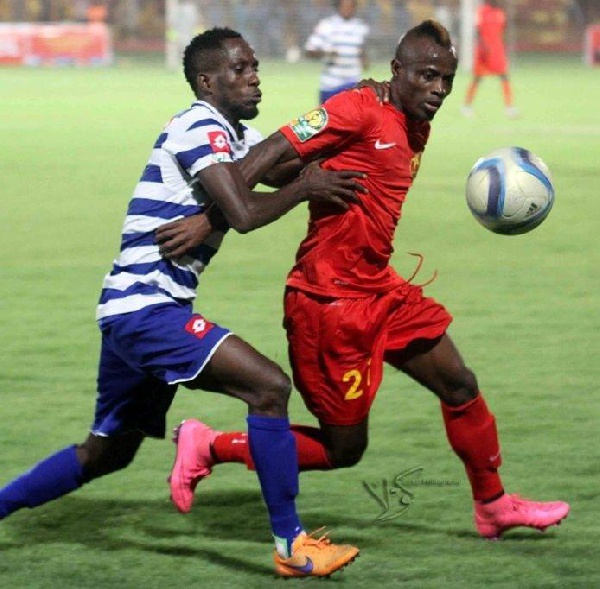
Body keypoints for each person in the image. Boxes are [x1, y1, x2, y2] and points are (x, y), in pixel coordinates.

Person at [166, 19, 570, 541]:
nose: (439, 91)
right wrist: (210, 217)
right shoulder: (358, 107)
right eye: (428, 76)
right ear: (396, 70)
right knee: (343, 449)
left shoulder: (414, 119)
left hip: (380, 289)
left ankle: (493, 506)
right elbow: (262, 157)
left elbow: (292, 169)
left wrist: (310, 173)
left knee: (459, 384)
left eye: (446, 79)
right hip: (329, 303)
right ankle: (209, 445)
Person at [0, 27, 366, 579]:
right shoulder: (201, 125)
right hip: (148, 308)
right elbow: (245, 211)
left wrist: (343, 115)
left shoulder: (234, 135)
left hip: (130, 308)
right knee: (268, 387)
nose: (253, 77)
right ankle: (292, 545)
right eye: (240, 69)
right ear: (207, 80)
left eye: (254, 67)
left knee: (108, 454)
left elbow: (287, 163)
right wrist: (304, 189)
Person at [304, 0, 370, 104]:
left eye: (351, 5)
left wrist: (364, 60)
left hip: (352, 83)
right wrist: (327, 53)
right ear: (338, 5)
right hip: (331, 84)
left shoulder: (361, 28)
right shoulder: (327, 25)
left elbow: (363, 54)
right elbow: (309, 51)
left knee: (352, 119)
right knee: (328, 119)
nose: (348, 8)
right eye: (345, 5)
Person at [461, 0, 518, 118]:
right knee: (477, 78)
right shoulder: (481, 12)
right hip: (483, 51)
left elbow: (502, 32)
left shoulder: (500, 13)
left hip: (497, 50)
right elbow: (478, 31)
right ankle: (466, 106)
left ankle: (509, 107)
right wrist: (483, 46)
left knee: (504, 76)